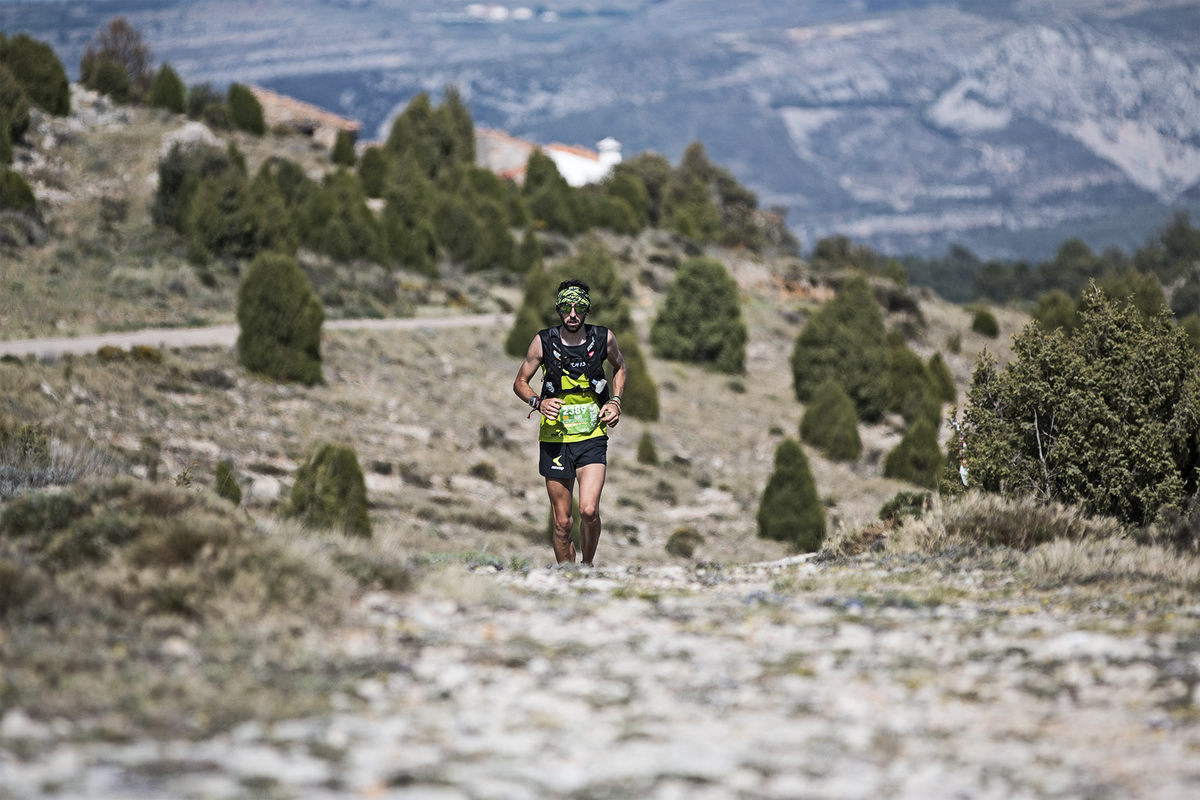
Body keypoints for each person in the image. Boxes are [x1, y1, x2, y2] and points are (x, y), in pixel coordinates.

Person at [513, 280, 627, 566]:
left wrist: (615, 402)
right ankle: (568, 576)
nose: (573, 314)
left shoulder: (603, 338)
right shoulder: (543, 341)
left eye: (579, 307)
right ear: (558, 310)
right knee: (562, 524)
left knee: (589, 511)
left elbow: (620, 367)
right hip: (556, 439)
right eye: (566, 307)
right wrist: (538, 403)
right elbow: (520, 382)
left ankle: (587, 567)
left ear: (587, 309)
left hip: (591, 435)